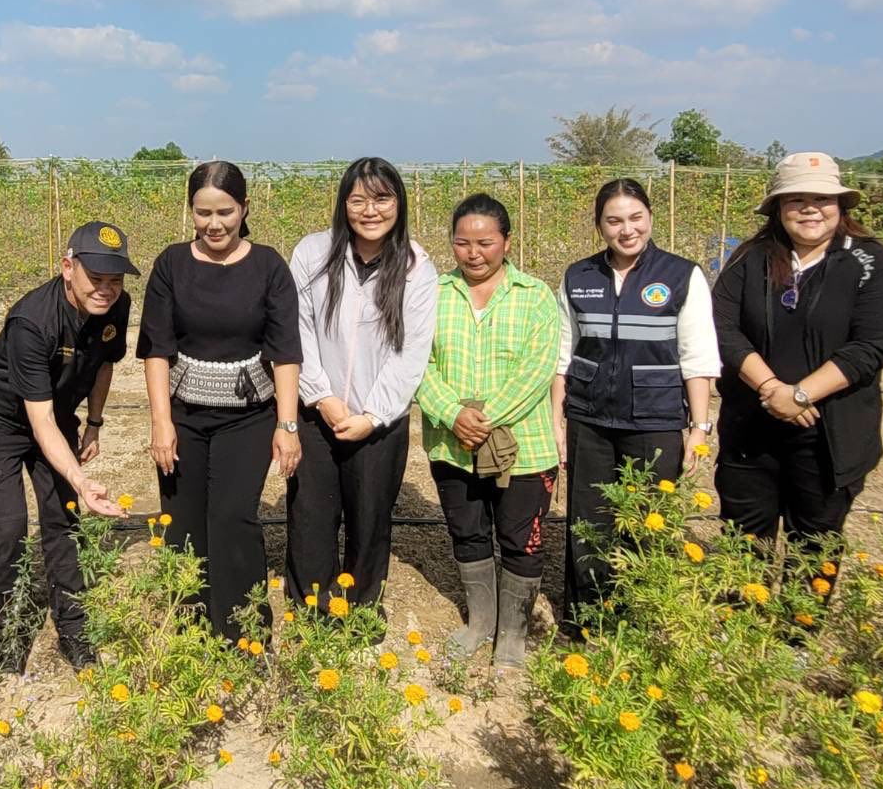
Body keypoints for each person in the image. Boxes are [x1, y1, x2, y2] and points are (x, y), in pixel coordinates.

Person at [713, 152, 883, 561]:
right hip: (751, 429)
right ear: (778, 208)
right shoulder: (751, 260)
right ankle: (744, 623)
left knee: (815, 547)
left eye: (821, 198)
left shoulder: (870, 262)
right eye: (795, 199)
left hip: (827, 434)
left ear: (840, 205)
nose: (809, 208)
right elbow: (723, 327)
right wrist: (770, 388)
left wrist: (800, 395)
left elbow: (875, 343)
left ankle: (797, 627)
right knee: (743, 543)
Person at [138, 160, 303, 642]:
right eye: (203, 212)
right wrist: (161, 422)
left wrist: (287, 426)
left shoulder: (269, 266)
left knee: (232, 518)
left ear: (244, 208)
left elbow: (285, 351)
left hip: (248, 418)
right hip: (184, 416)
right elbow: (156, 348)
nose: (214, 224)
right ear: (190, 211)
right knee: (183, 520)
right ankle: (189, 628)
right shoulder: (171, 264)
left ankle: (243, 631)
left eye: (225, 212)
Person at [0, 221, 136, 674]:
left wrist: (94, 424)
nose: (105, 290)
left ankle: (74, 630)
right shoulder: (31, 322)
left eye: (114, 280)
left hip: (54, 412)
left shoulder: (117, 307)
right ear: (67, 268)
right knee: (10, 524)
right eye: (95, 278)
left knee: (63, 519)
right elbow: (37, 422)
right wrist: (79, 477)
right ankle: (8, 633)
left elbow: (103, 367)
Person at [551, 179, 720, 623]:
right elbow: (562, 356)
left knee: (649, 522)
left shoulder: (682, 275)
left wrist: (699, 430)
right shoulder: (578, 276)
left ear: (649, 217)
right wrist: (558, 420)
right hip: (589, 419)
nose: (627, 230)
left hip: (655, 420)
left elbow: (697, 357)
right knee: (589, 522)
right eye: (614, 221)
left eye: (635, 218)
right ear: (599, 226)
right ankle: (588, 620)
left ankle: (641, 621)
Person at [287, 157, 437, 628]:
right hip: (316, 411)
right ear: (343, 204)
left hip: (379, 421)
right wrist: (322, 397)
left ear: (399, 203)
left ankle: (361, 609)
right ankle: (312, 609)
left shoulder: (416, 266)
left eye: (381, 198)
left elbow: (412, 351)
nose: (370, 210)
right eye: (358, 199)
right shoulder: (313, 254)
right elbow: (298, 330)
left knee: (370, 518)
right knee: (311, 515)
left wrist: (374, 414)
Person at [417, 194, 559, 668]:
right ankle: (480, 622)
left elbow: (537, 370)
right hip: (452, 443)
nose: (473, 253)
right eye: (462, 242)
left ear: (506, 242)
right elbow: (418, 363)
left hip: (523, 445)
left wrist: (486, 416)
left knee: (521, 538)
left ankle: (512, 633)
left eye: (485, 242)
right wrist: (450, 412)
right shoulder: (433, 293)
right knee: (468, 531)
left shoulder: (535, 295)